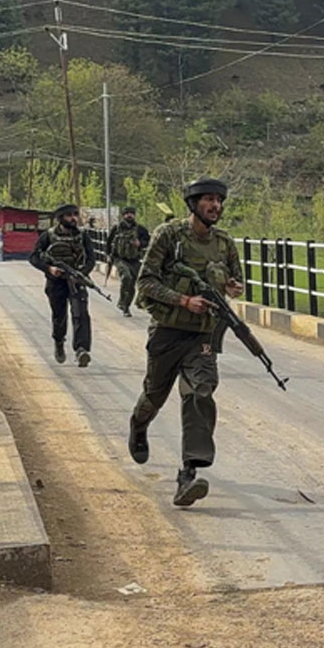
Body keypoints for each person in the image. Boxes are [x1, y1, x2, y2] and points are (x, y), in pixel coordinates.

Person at [127, 178, 244, 507]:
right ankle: (139, 424)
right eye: (209, 200)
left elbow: (237, 278)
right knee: (155, 393)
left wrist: (234, 286)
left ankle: (188, 473)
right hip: (167, 331)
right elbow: (146, 281)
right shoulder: (169, 236)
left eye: (219, 201)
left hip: (203, 336)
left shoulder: (223, 243)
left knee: (199, 394)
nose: (216, 206)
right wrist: (182, 300)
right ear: (193, 204)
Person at [29, 203, 96, 367]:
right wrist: (49, 269)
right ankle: (59, 342)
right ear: (61, 218)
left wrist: (82, 274)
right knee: (59, 317)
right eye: (69, 215)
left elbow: (91, 259)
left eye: (75, 214)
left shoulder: (82, 235)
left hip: (77, 281)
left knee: (81, 314)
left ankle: (81, 350)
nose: (74, 218)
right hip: (56, 282)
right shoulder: (48, 236)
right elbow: (34, 257)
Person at [107, 206, 151, 317]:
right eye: (127, 213)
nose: (129, 215)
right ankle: (122, 302)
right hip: (120, 258)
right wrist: (107, 255)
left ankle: (126, 306)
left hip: (134, 259)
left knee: (132, 284)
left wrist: (140, 243)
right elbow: (109, 242)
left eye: (132, 213)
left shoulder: (140, 229)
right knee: (126, 277)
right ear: (123, 215)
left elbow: (148, 241)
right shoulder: (117, 228)